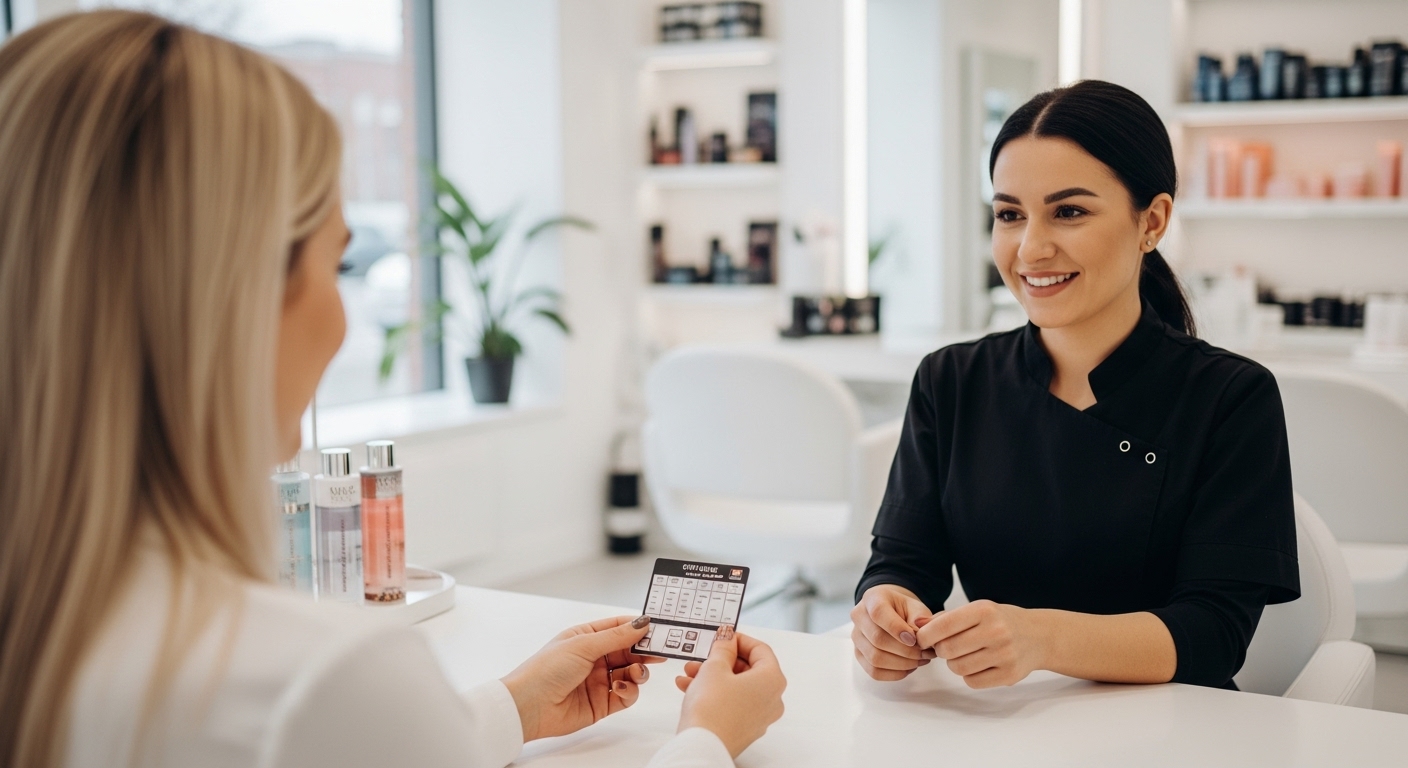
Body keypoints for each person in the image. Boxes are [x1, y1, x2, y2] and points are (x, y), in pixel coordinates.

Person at [0, 11, 785, 768]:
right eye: (335, 264)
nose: (342, 320)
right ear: (232, 300)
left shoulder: (50, 626)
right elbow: (326, 724)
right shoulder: (316, 680)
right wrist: (706, 737)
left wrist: (512, 706)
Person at [851, 80, 1299, 691]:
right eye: (1009, 214)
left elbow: (1213, 633)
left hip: (1168, 727)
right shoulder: (950, 380)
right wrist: (886, 611)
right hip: (999, 720)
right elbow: (904, 563)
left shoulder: (1230, 398)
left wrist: (1043, 640)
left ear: (1153, 221)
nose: (1031, 248)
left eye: (1069, 211)